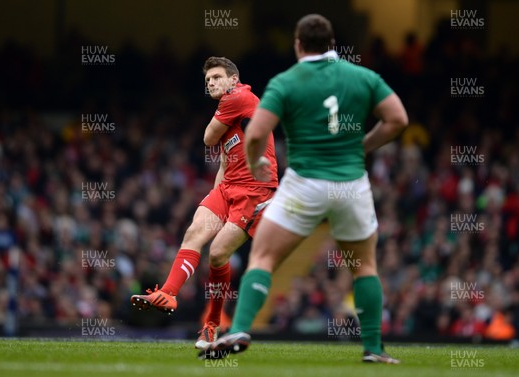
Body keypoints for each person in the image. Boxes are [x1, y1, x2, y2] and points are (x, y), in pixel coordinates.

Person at [199, 14, 408, 363]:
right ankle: (373, 349)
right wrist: (363, 147)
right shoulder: (363, 76)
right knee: (365, 267)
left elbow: (254, 133)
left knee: (262, 257)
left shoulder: (286, 81)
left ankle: (239, 328)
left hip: (304, 185)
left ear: (298, 45)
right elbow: (398, 120)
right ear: (333, 44)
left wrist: (255, 162)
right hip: (351, 184)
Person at [131, 57, 278, 349]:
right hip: (227, 188)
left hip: (254, 191)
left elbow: (208, 137)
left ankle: (211, 325)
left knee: (217, 254)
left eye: (216, 77)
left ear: (233, 79)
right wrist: (216, 199)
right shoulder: (233, 112)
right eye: (207, 79)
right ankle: (168, 293)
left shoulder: (238, 97)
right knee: (194, 232)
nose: (209, 82)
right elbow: (223, 158)